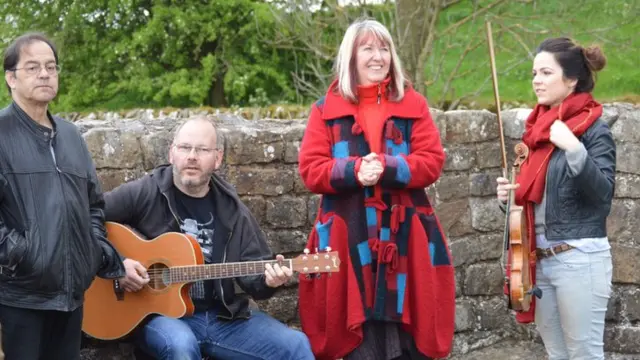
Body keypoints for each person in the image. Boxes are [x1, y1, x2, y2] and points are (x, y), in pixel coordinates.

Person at [297, 18, 455, 360]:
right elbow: (311, 169)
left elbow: (431, 161)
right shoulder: (325, 110)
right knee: (354, 329)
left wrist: (389, 167)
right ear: (351, 57)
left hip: (404, 234)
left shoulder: (413, 105)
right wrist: (355, 171)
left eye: (384, 48)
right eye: (367, 48)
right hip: (347, 229)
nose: (377, 56)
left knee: (409, 329)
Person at [103, 116, 314, 360]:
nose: (192, 156)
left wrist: (270, 281)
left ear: (218, 158)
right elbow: (84, 217)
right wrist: (118, 264)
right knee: (181, 347)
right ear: (172, 153)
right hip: (161, 317)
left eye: (202, 149)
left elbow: (255, 276)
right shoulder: (145, 192)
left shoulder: (233, 210)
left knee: (296, 345)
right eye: (185, 147)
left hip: (222, 317)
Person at [0, 32, 125, 359]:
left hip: (72, 294)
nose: (44, 74)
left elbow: (94, 205)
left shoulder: (71, 136)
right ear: (11, 78)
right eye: (33, 67)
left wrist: (93, 249)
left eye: (51, 67)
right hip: (22, 295)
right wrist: (22, 253)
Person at [496, 37, 615, 360]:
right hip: (538, 261)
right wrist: (510, 198)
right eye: (535, 73)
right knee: (556, 354)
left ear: (571, 80)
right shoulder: (537, 133)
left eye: (546, 73)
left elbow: (603, 196)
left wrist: (575, 149)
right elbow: (535, 201)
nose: (537, 80)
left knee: (584, 353)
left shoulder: (593, 132)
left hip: (579, 258)